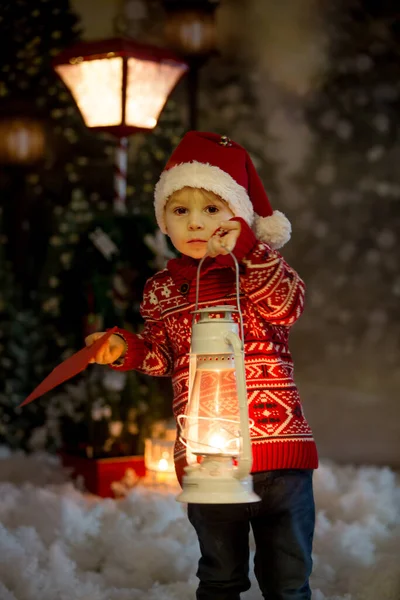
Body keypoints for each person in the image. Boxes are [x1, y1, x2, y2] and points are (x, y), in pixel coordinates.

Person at [85, 131, 318, 600]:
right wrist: (124, 348)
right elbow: (162, 355)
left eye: (212, 209)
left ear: (241, 216)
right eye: (180, 210)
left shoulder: (260, 267)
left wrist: (251, 251)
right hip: (208, 463)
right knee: (219, 575)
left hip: (279, 458)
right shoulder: (162, 290)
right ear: (164, 221)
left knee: (287, 579)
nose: (195, 223)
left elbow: (286, 306)